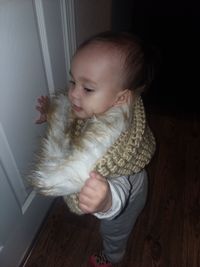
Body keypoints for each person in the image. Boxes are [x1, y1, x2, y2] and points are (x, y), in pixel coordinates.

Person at [33, 31, 156, 267]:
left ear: (121, 99)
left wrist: (107, 200)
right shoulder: (101, 104)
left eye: (87, 88)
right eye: (73, 82)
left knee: (114, 230)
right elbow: (74, 122)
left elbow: (121, 189)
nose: (73, 93)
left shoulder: (117, 150)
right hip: (116, 183)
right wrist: (52, 115)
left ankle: (112, 256)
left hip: (125, 194)